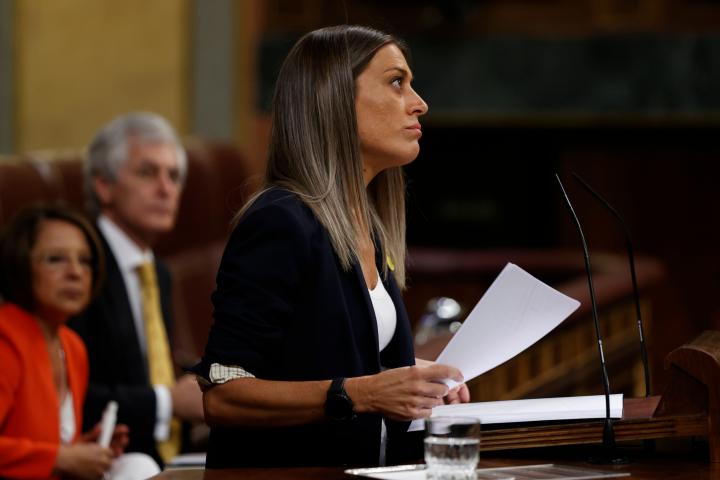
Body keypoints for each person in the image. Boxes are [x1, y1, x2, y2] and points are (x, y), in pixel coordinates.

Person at [195, 25, 470, 469]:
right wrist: (365, 392)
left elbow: (325, 356)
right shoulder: (280, 220)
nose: (419, 103)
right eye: (396, 82)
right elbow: (223, 395)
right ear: (334, 98)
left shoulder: (369, 226)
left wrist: (415, 377)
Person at [68, 112, 204, 466]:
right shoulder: (79, 264)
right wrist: (168, 402)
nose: (166, 188)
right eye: (147, 173)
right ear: (104, 185)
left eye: (174, 176)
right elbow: (68, 394)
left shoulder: (157, 271)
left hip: (162, 454)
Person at [0, 204, 159, 479]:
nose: (76, 272)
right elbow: (48, 458)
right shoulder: (6, 338)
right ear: (20, 263)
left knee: (138, 465)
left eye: (85, 260)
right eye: (55, 259)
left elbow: (39, 445)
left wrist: (83, 451)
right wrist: (61, 459)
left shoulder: (72, 346)